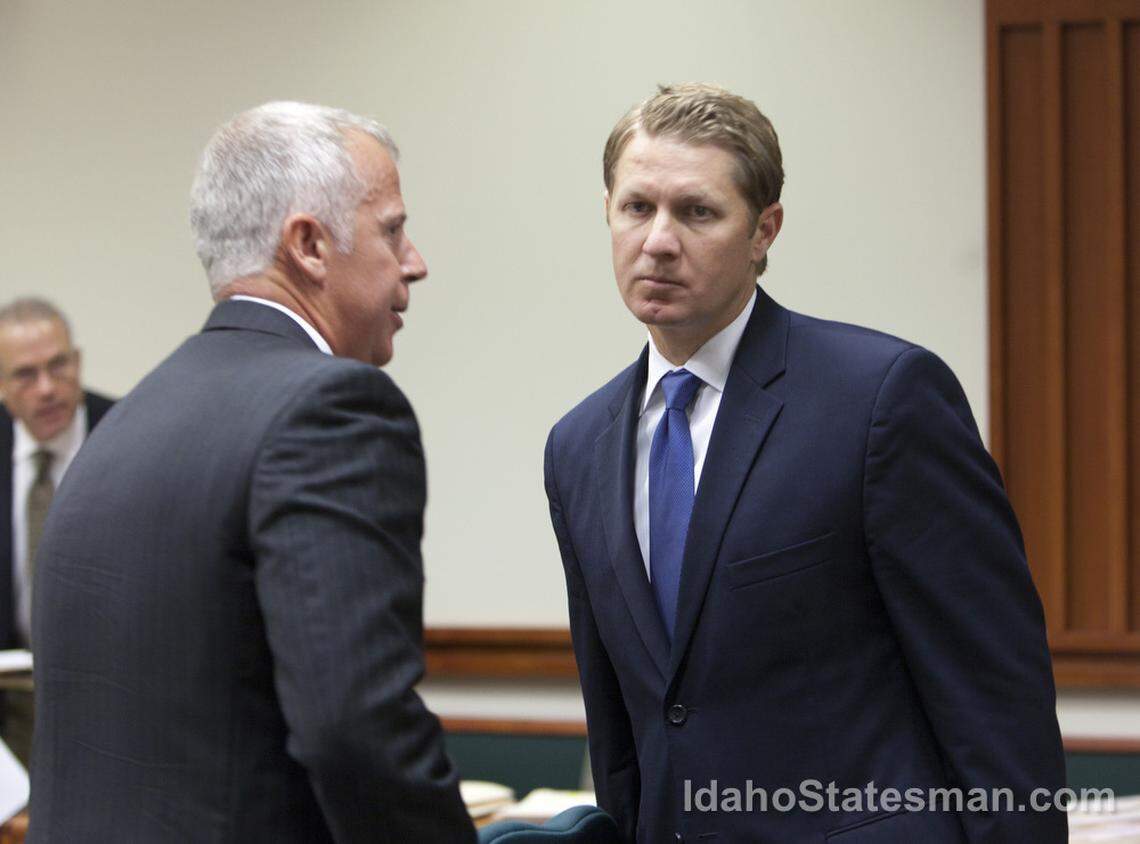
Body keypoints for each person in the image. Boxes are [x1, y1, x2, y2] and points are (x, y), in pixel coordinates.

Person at [543, 84, 1067, 842]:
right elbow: (624, 722)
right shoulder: (578, 445)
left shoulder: (879, 399)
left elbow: (993, 690)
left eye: (697, 212)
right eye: (636, 208)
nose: (658, 240)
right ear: (607, 213)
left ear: (764, 231)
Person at [29, 102, 475, 842]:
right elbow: (356, 730)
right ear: (308, 245)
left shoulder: (122, 424)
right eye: (392, 229)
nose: (414, 261)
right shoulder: (330, 408)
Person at [0, 297, 113, 766]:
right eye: (26, 375)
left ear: (78, 362)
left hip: (108, 697)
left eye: (58, 365)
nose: (47, 388)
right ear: (2, 386)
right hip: (9, 712)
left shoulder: (126, 431)